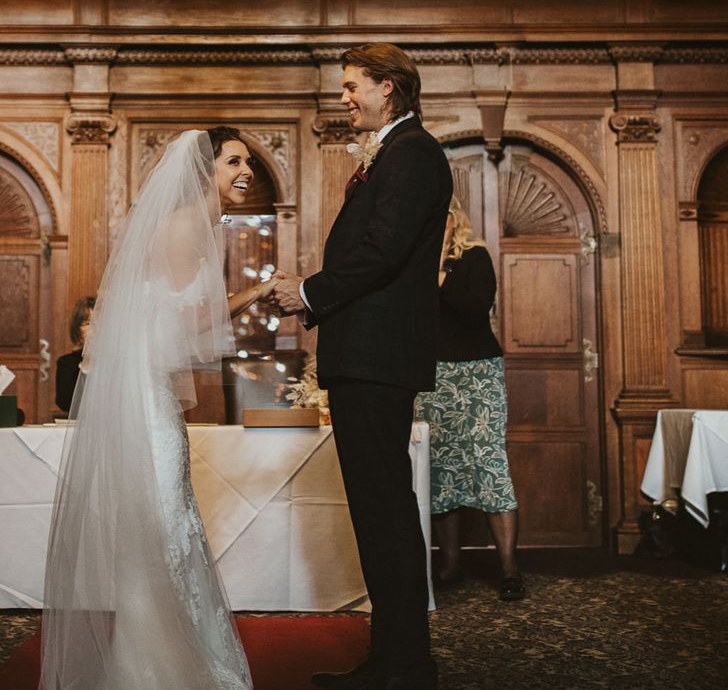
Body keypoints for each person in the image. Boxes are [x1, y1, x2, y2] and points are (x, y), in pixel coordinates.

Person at [39, 127, 277, 689]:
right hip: (146, 402)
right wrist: (257, 293)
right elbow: (185, 324)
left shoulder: (199, 224)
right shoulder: (189, 225)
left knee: (166, 524)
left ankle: (155, 658)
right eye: (234, 162)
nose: (246, 172)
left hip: (148, 394)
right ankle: (159, 667)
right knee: (166, 523)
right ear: (204, 171)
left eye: (247, 162)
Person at [273, 43, 452, 690]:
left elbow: (382, 250)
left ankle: (405, 665)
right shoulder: (398, 153)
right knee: (380, 512)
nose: (344, 97)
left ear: (390, 87)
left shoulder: (413, 155)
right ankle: (396, 659)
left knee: (385, 513)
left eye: (353, 86)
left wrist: (310, 292)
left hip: (377, 358)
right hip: (367, 356)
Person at [414, 196, 524, 602]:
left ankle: (510, 568)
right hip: (432, 375)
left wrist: (440, 273)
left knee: (488, 462)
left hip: (478, 372)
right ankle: (450, 565)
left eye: (438, 218)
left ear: (453, 218)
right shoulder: (410, 264)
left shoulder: (475, 256)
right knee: (440, 467)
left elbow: (476, 310)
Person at [55, 295, 95, 414]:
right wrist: (86, 365)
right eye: (88, 323)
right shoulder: (66, 363)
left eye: (98, 323)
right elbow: (64, 403)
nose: (94, 329)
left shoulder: (117, 363)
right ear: (78, 329)